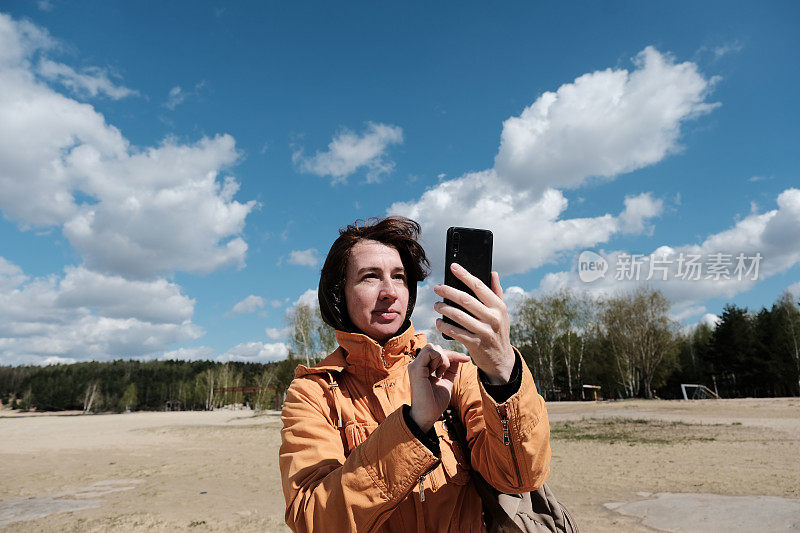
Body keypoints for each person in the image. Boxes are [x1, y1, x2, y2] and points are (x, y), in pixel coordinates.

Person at [279, 216, 550, 532]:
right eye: (369, 277)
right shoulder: (312, 392)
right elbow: (313, 520)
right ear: (339, 293)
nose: (390, 292)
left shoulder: (451, 371)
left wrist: (503, 371)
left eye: (399, 277)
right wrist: (414, 424)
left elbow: (519, 477)